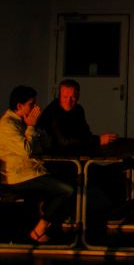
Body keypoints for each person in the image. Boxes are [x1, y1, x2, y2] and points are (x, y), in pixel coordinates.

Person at [0, 85, 74, 243]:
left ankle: (49, 222)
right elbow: (27, 150)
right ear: (20, 106)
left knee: (69, 176)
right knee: (66, 190)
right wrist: (31, 126)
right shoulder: (8, 125)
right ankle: (39, 229)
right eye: (31, 104)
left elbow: (44, 145)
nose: (36, 108)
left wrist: (35, 130)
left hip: (32, 172)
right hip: (19, 177)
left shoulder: (22, 121)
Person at [37, 79, 117, 150]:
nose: (68, 101)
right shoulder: (53, 110)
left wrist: (99, 140)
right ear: (59, 96)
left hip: (72, 151)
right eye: (65, 97)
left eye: (72, 97)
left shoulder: (78, 109)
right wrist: (98, 140)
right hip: (52, 154)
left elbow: (85, 133)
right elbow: (63, 141)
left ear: (78, 97)